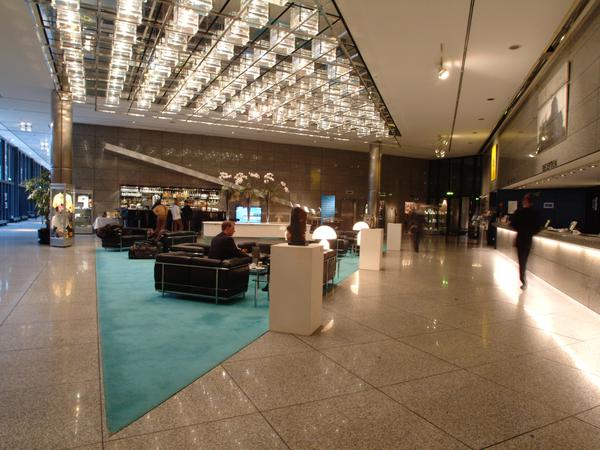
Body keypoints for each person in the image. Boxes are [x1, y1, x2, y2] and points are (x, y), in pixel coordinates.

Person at [510, 193, 543, 289]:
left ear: (526, 201)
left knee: (522, 260)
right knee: (525, 260)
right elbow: (538, 227)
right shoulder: (535, 213)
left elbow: (513, 224)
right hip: (528, 239)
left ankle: (523, 279)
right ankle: (524, 277)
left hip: (520, 238)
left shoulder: (519, 212)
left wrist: (520, 229)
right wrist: (530, 232)